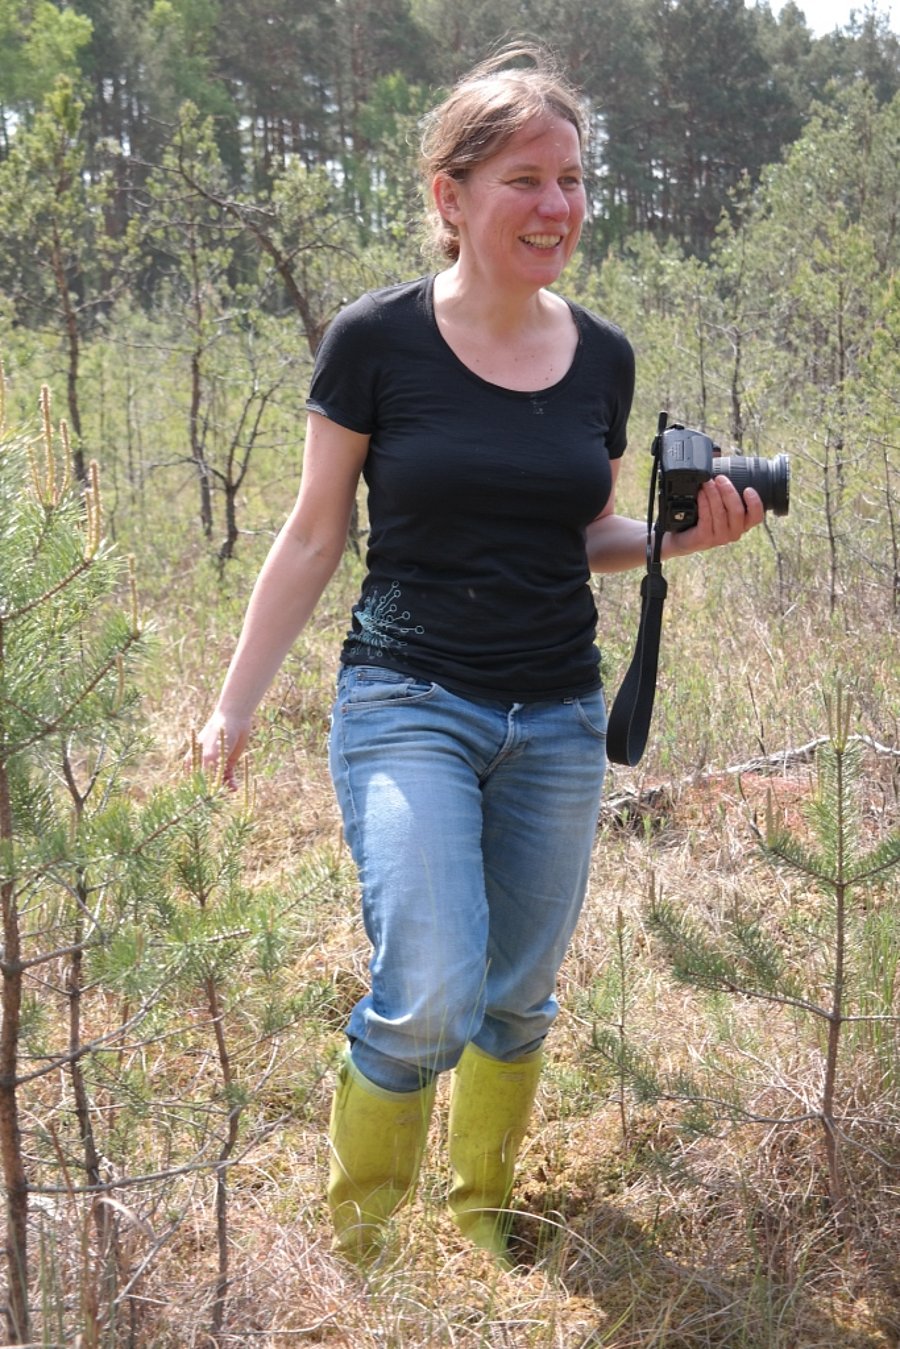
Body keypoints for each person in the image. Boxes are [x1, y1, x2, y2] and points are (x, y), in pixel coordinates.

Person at [192, 43, 764, 1265]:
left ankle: (479, 1215)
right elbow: (314, 532)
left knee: (516, 994)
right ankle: (365, 1251)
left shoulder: (601, 355)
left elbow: (585, 534)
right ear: (451, 196)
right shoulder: (376, 340)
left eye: (573, 179)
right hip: (409, 698)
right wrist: (234, 703)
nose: (558, 205)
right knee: (433, 986)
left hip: (557, 714)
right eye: (526, 179)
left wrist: (685, 537)